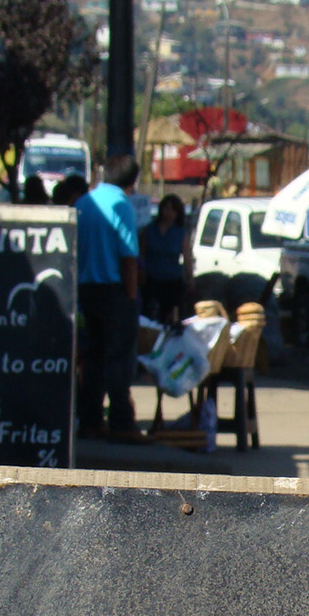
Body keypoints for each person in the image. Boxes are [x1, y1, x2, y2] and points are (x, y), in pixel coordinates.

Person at [75, 154, 146, 443]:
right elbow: (128, 257)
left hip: (85, 289)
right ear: (132, 181)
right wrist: (131, 297)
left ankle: (90, 421)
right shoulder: (121, 205)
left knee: (92, 358)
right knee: (119, 358)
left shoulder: (83, 202)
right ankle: (121, 422)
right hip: (114, 289)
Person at [140, 194, 190, 325]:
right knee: (149, 317)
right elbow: (141, 254)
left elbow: (187, 257)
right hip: (151, 279)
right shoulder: (149, 230)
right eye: (166, 208)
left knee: (171, 318)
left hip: (172, 281)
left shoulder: (180, 232)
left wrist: (190, 278)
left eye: (173, 209)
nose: (169, 212)